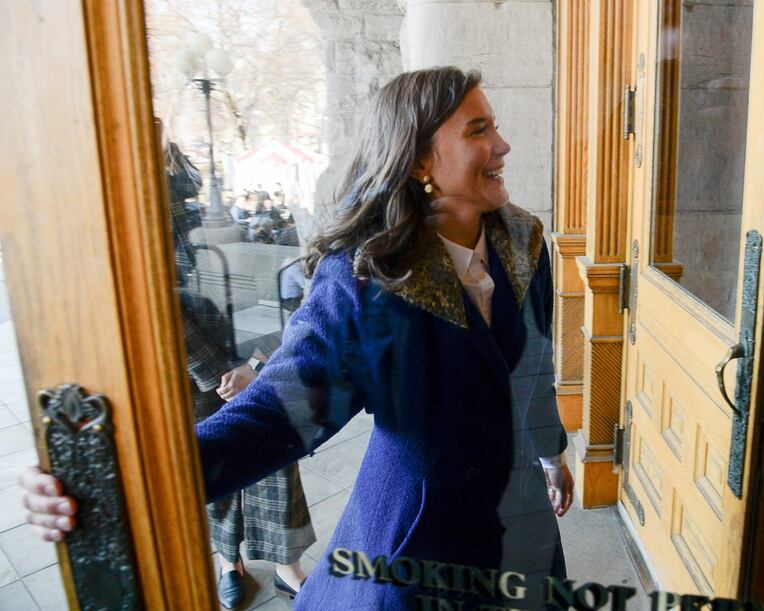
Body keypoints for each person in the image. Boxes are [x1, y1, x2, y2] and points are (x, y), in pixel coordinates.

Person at [21, 66, 574, 610]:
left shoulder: (524, 243)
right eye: (478, 130)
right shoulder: (367, 278)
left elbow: (533, 369)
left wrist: (550, 454)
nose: (502, 145)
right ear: (418, 160)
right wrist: (118, 480)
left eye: (493, 126)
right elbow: (276, 416)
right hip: (422, 540)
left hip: (520, 521)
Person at [166, 138, 316, 608]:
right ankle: (227, 560)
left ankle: (285, 566)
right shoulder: (143, 209)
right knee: (214, 458)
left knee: (274, 451)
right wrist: (217, 371)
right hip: (193, 369)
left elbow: (268, 278)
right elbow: (163, 305)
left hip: (247, 343)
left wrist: (257, 359)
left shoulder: (191, 190)